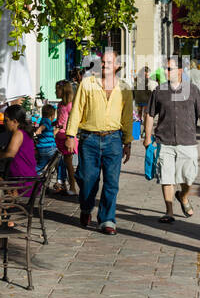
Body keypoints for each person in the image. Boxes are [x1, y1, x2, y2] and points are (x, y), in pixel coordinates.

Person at [65, 73, 133, 234]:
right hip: (89, 139)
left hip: (114, 139)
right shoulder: (87, 84)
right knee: (88, 179)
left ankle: (107, 219)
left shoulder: (124, 87)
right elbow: (77, 109)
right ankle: (86, 207)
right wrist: (70, 135)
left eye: (110, 62)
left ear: (117, 66)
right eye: (103, 62)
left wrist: (128, 142)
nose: (106, 65)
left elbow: (127, 116)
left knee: (111, 182)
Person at [145, 60, 200, 223]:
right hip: (164, 141)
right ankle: (169, 212)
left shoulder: (193, 90)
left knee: (188, 178)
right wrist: (147, 137)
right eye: (166, 68)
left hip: (187, 141)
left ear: (180, 71)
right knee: (166, 177)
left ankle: (183, 196)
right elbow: (150, 114)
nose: (166, 71)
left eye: (170, 69)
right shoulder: (159, 91)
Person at [0, 107, 38, 199]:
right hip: (27, 178)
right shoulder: (22, 132)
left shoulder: (18, 133)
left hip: (21, 183)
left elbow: (8, 155)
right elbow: (14, 151)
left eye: (6, 120)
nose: (4, 123)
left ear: (15, 121)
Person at [53, 82, 79, 194]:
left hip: (66, 137)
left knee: (69, 164)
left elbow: (71, 121)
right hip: (58, 137)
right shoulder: (59, 105)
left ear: (63, 91)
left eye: (57, 90)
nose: (55, 92)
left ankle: (73, 187)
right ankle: (61, 183)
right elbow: (59, 120)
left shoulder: (69, 105)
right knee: (58, 162)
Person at [34, 104, 58, 173]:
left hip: (42, 148)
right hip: (49, 148)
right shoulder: (47, 121)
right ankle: (60, 179)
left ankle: (33, 175)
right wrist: (39, 130)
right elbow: (44, 126)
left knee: (40, 166)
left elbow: (48, 126)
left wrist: (55, 125)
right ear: (52, 115)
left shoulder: (43, 120)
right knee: (60, 161)